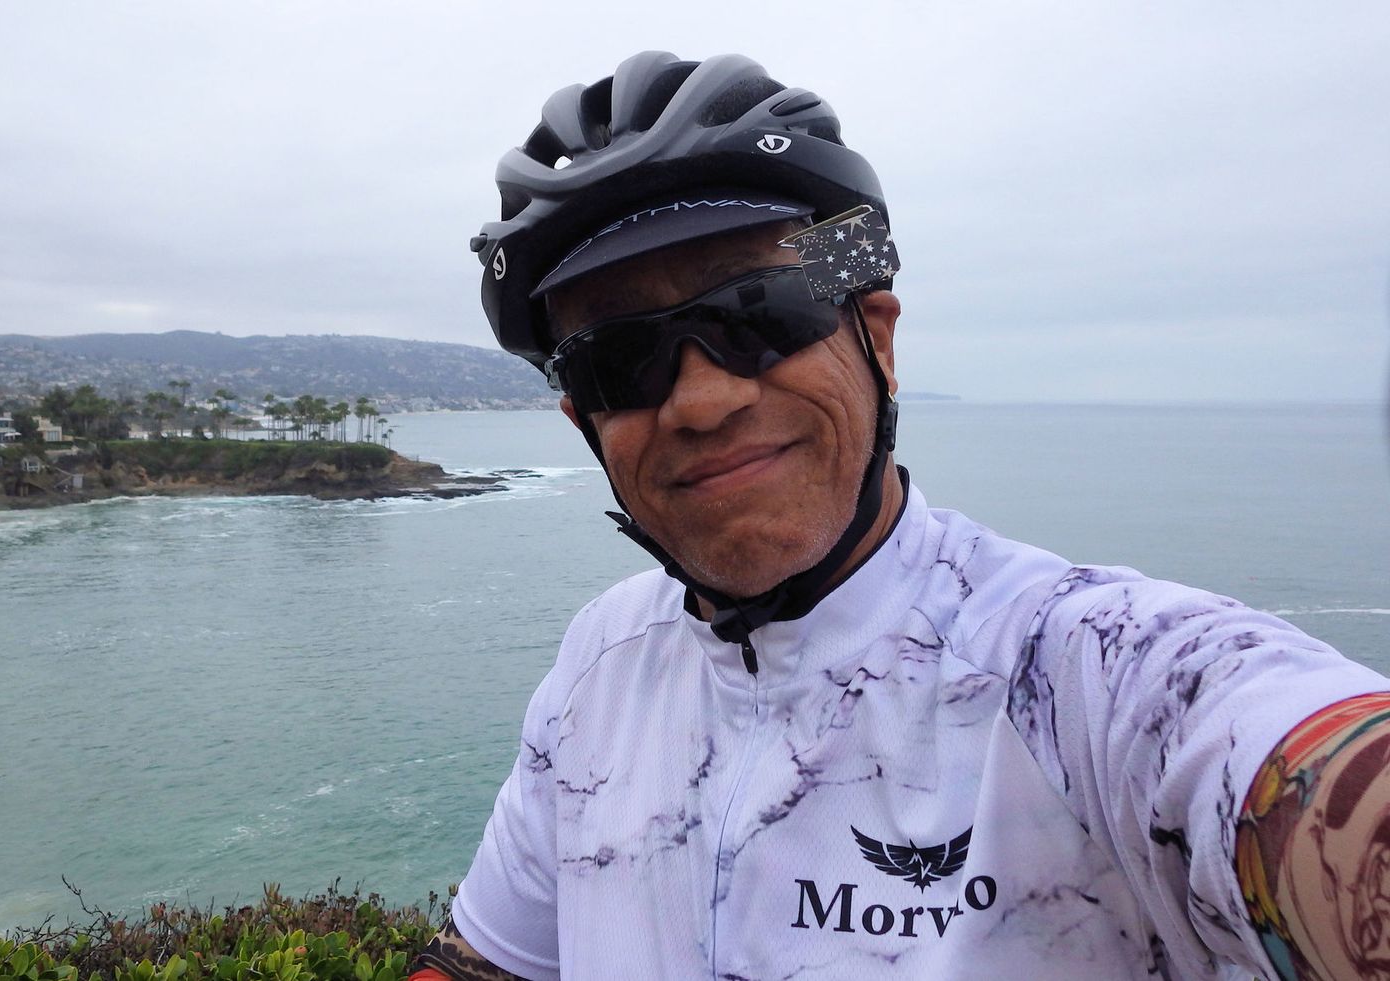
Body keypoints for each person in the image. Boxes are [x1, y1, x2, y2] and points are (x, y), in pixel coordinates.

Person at [412, 51, 1390, 980]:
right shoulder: (600, 666)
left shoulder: (1082, 673)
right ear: (585, 421)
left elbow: (1292, 770)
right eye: (619, 360)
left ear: (874, 339)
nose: (702, 401)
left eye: (760, 311)